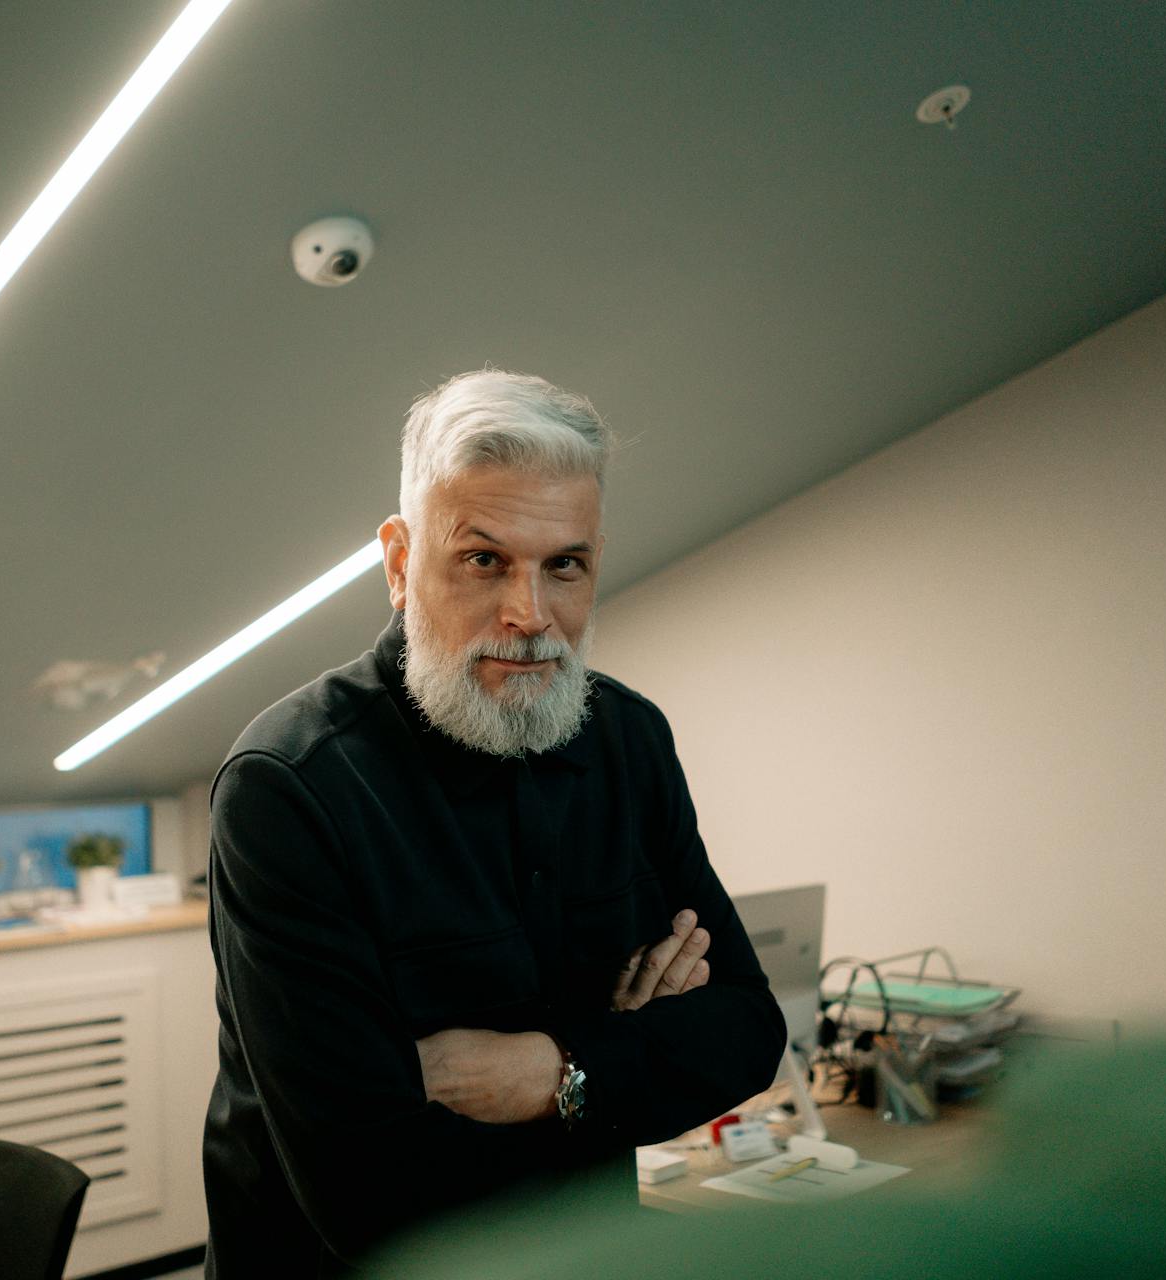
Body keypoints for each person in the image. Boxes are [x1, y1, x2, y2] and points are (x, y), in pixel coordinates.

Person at [202, 369, 787, 1276]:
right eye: (484, 561)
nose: (530, 614)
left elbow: (748, 1029)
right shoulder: (288, 786)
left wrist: (549, 1073)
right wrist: (638, 1050)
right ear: (400, 564)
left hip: (586, 1251)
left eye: (565, 565)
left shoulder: (629, 739)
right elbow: (365, 1187)